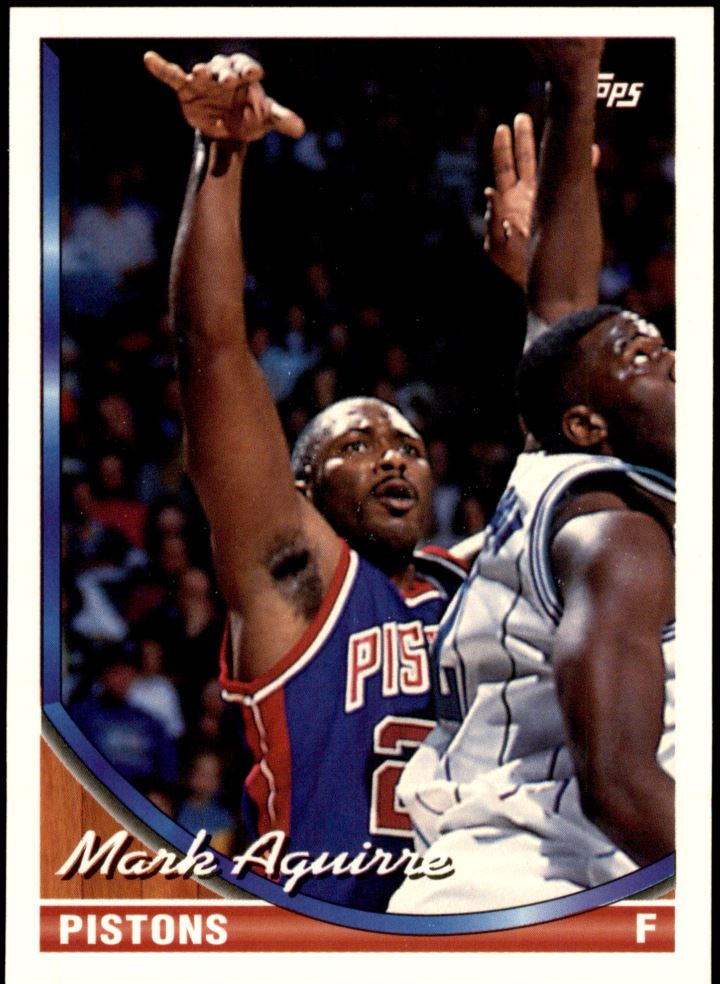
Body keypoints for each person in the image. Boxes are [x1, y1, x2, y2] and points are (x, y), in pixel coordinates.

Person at [144, 49, 482, 910]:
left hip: (460, 934)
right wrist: (222, 157)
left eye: (408, 445)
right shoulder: (298, 578)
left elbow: (576, 447)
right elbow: (211, 349)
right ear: (302, 486)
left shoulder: (472, 580)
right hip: (315, 933)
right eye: (359, 443)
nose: (394, 456)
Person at [389, 41, 675, 914]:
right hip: (542, 886)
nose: (675, 362)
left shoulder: (561, 460)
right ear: (590, 424)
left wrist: (576, 89)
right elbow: (620, 784)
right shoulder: (613, 526)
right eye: (645, 360)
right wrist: (574, 83)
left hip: (486, 881)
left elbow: (561, 311)